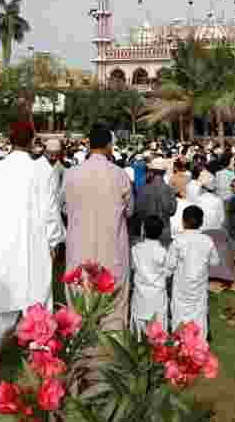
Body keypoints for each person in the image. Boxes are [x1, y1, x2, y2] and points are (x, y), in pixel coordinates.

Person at [0, 122, 65, 368]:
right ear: (32, 141)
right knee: (37, 299)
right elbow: (51, 212)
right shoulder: (43, 171)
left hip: (2, 245)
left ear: (9, 139)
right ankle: (40, 356)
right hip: (34, 245)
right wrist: (53, 241)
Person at [64, 123, 133, 331]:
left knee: (79, 307)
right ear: (109, 145)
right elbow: (129, 210)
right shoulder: (119, 175)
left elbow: (65, 208)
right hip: (111, 249)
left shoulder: (72, 174)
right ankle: (111, 355)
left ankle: (80, 354)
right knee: (113, 310)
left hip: (79, 248)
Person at [165, 206, 219, 335]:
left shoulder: (178, 241)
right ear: (202, 222)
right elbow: (215, 261)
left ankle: (179, 344)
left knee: (179, 316)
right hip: (199, 289)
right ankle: (198, 346)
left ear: (183, 222)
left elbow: (169, 266)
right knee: (199, 316)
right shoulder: (207, 241)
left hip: (181, 289)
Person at [131, 216, 169, 333]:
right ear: (161, 232)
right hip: (157, 297)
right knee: (159, 331)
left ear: (143, 230)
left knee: (139, 331)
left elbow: (133, 267)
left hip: (140, 296)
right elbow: (168, 272)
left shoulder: (136, 249)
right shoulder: (163, 252)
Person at [131, 157, 178, 247]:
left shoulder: (143, 189)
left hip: (147, 234)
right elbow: (172, 211)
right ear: (164, 172)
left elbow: (138, 210)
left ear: (151, 171)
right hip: (164, 233)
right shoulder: (169, 190)